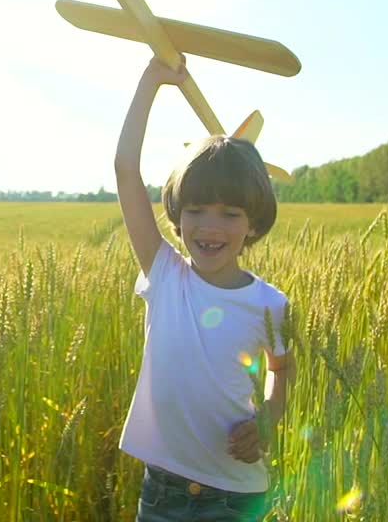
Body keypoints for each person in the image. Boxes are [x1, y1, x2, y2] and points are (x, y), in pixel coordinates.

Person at [115, 55, 294, 522]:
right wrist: (151, 80)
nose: (210, 227)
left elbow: (282, 369)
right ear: (176, 216)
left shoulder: (271, 304)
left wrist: (268, 420)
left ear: (253, 224)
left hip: (234, 495)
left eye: (230, 214)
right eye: (196, 209)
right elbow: (124, 169)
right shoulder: (164, 273)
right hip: (164, 490)